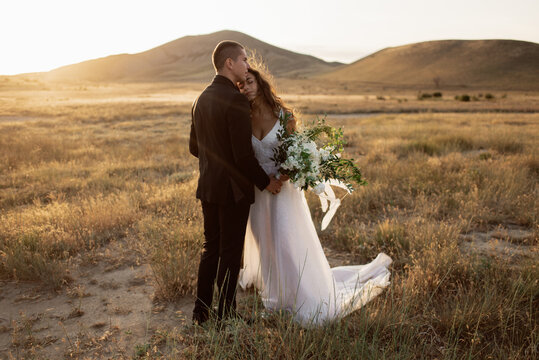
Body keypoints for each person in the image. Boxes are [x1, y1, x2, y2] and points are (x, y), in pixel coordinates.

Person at [237, 67, 393, 326]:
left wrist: (283, 176)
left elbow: (297, 153)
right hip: (259, 190)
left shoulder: (284, 116)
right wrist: (265, 182)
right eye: (241, 85)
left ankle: (301, 295)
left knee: (286, 242)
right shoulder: (244, 116)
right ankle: (275, 298)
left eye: (250, 82)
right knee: (264, 243)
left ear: (261, 83)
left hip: (283, 192)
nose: (246, 88)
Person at [189, 41, 282, 325]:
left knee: (211, 248)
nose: (247, 65)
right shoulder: (236, 100)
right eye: (243, 59)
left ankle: (201, 313)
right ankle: (226, 313)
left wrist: (214, 162)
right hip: (232, 192)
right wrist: (266, 182)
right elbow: (242, 156)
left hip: (208, 187)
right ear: (229, 63)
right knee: (230, 253)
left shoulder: (201, 98)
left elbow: (195, 147)